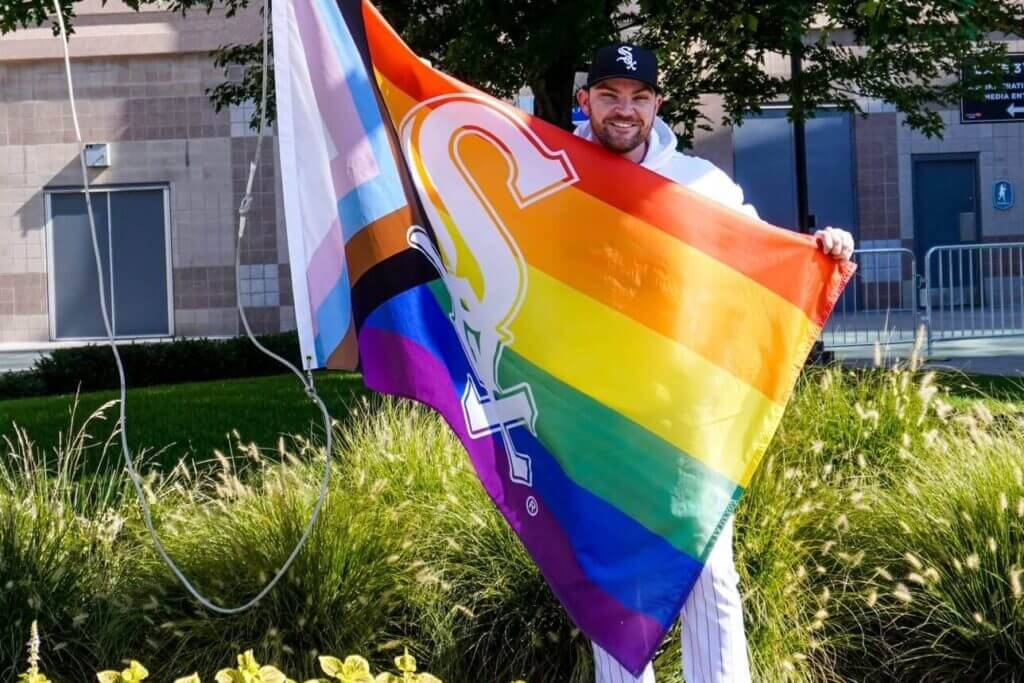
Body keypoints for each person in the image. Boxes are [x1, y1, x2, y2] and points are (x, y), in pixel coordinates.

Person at [575, 44, 854, 683]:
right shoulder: (552, 172)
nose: (625, 110)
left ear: (658, 105)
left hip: (687, 415)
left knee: (709, 576)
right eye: (611, 96)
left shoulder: (700, 185)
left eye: (639, 97)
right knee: (615, 582)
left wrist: (821, 251)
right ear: (585, 100)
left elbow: (762, 257)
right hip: (590, 411)